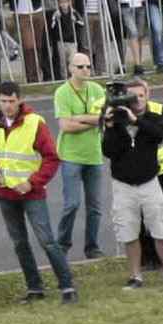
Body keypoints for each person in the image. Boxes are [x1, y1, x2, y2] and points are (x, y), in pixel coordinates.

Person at [0, 82, 77, 305]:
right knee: (19, 243)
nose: (7, 106)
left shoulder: (35, 123)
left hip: (31, 194)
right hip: (5, 192)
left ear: (20, 100)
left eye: (11, 101)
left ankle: (67, 286)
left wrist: (32, 183)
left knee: (47, 241)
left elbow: (52, 158)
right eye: (3, 101)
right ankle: (34, 287)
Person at [97, 76, 163, 289]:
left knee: (160, 227)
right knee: (128, 230)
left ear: (147, 96)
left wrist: (136, 121)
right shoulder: (115, 121)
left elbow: (160, 133)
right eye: (133, 96)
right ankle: (136, 276)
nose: (137, 100)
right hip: (123, 185)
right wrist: (109, 125)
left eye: (141, 96)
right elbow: (108, 151)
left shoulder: (153, 117)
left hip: (150, 182)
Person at [49, 53, 109, 266]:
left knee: (95, 206)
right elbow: (65, 126)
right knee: (72, 204)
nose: (86, 70)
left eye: (88, 66)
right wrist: (93, 121)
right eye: (80, 66)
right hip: (71, 156)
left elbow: (105, 118)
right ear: (70, 69)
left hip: (93, 154)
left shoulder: (97, 90)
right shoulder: (62, 93)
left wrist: (80, 117)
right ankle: (62, 245)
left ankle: (92, 247)